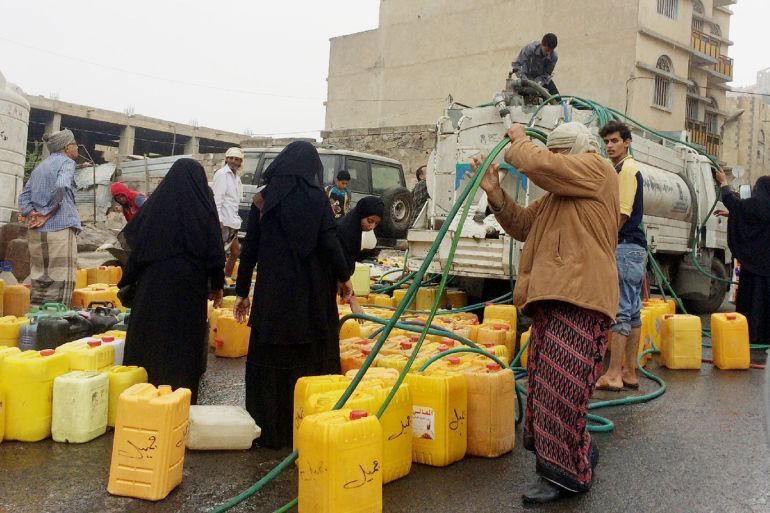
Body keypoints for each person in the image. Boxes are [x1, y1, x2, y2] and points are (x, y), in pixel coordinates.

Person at [470, 121, 619, 503]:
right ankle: (578, 452)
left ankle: (567, 476)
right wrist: (495, 193)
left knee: (563, 389)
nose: (556, 157)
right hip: (553, 298)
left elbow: (542, 166)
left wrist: (520, 140)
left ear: (581, 149)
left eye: (561, 149)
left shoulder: (597, 170)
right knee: (544, 386)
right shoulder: (557, 196)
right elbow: (522, 224)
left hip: (582, 299)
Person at [233, 142, 354, 450]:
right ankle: (308, 428)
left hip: (273, 297)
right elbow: (330, 242)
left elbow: (250, 250)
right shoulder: (317, 200)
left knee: (272, 359)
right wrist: (344, 277)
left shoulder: (264, 200)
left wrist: (242, 292)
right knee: (309, 357)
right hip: (310, 298)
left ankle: (269, 430)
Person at [118, 158, 225, 404]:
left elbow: (136, 249)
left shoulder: (156, 207)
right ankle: (177, 397)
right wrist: (217, 285)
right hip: (189, 287)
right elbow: (215, 252)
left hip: (152, 287)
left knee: (150, 337)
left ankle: (141, 394)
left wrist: (129, 280)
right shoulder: (203, 208)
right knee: (182, 341)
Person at [596, 121, 647, 391]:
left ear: (626, 142)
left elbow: (623, 212)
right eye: (606, 142)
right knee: (633, 311)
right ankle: (630, 372)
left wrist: (606, 239)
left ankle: (614, 374)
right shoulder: (620, 168)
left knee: (620, 312)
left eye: (614, 141)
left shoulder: (627, 169)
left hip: (625, 246)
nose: (610, 146)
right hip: (634, 248)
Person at [17, 129, 81, 307]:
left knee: (39, 280)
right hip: (60, 231)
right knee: (61, 281)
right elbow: (62, 185)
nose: (77, 148)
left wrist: (33, 213)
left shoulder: (40, 167)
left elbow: (23, 198)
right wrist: (47, 211)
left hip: (36, 233)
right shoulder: (67, 163)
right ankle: (54, 326)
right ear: (67, 147)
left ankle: (36, 324)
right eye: (75, 144)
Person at [714, 172, 770, 344]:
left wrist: (723, 183)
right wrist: (733, 215)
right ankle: (763, 336)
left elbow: (734, 203)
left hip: (751, 266)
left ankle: (748, 334)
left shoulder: (753, 205)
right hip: (767, 268)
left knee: (750, 301)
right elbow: (756, 219)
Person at [337, 196, 385, 315]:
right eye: (370, 221)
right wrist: (352, 299)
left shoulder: (353, 228)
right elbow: (339, 264)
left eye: (376, 223)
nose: (372, 226)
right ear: (362, 214)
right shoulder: (345, 231)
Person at [212, 147, 245, 276]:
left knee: (236, 252)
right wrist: (219, 220)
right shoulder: (222, 174)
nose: (233, 161)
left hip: (233, 221)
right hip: (224, 221)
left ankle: (226, 278)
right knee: (220, 255)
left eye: (236, 159)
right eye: (231, 158)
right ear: (226, 159)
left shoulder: (236, 175)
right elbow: (217, 199)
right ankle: (217, 283)